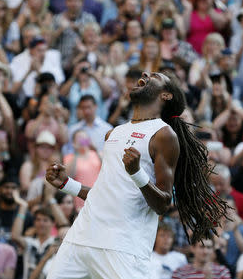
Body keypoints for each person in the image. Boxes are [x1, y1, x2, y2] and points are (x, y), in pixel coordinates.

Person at [45, 71, 227, 278]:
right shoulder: (113, 133)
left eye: (156, 75)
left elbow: (163, 203)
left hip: (122, 244)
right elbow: (106, 193)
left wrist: (137, 173)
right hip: (80, 237)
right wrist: (66, 184)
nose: (145, 73)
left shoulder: (164, 135)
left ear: (166, 95)